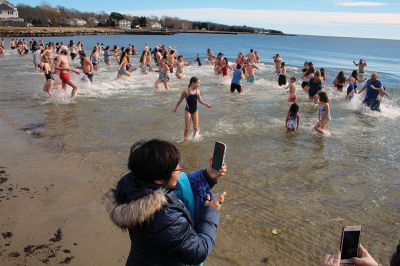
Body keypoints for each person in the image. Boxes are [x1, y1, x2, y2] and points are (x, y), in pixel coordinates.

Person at [105, 139, 226, 266]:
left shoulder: (132, 184)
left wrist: (208, 176)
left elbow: (177, 186)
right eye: (176, 168)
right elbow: (198, 251)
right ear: (159, 178)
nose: (180, 170)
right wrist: (211, 213)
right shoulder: (164, 216)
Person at [172, 77, 212, 141]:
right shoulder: (186, 91)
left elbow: (200, 100)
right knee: (187, 128)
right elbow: (180, 100)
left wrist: (207, 104)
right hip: (188, 110)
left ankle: (194, 138)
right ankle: (185, 139)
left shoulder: (197, 90)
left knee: (196, 128)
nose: (199, 85)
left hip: (195, 110)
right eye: (198, 83)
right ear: (192, 83)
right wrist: (175, 108)